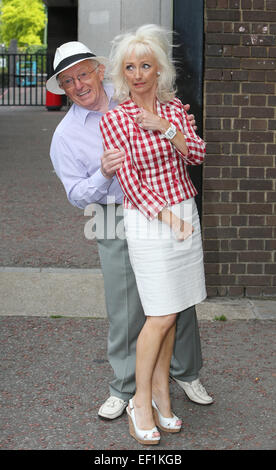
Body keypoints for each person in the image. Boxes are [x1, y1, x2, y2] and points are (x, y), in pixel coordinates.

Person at [46, 39, 213, 427]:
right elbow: (75, 195)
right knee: (125, 305)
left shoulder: (128, 90)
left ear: (99, 70)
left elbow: (167, 113)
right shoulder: (65, 135)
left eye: (83, 74)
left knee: (177, 300)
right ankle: (124, 387)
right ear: (63, 88)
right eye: (68, 82)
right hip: (114, 212)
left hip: (163, 203)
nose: (79, 85)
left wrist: (176, 122)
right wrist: (102, 174)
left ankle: (185, 373)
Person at [99, 24, 207, 445]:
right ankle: (139, 400)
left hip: (184, 211)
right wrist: (168, 218)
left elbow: (197, 153)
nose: (139, 73)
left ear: (158, 69)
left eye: (146, 65)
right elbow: (130, 182)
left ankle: (163, 393)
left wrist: (164, 126)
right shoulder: (114, 119)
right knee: (159, 315)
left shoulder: (176, 110)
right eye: (130, 66)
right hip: (151, 219)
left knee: (175, 310)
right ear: (121, 73)